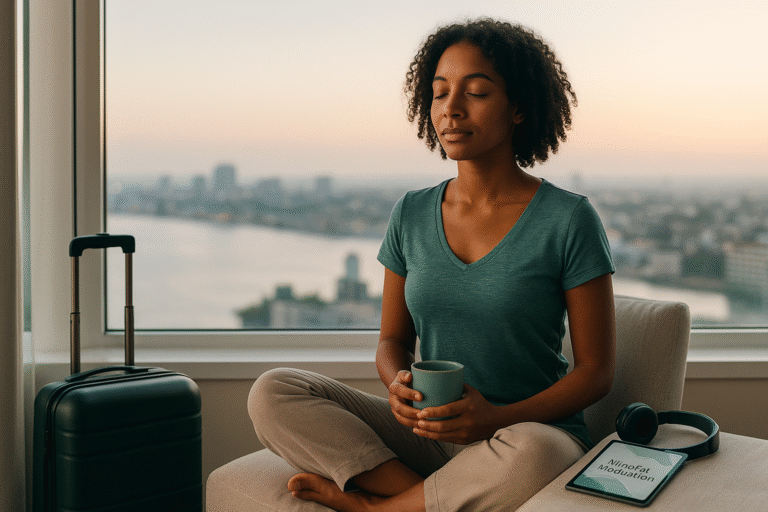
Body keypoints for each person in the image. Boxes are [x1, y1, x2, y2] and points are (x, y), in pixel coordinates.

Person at [249, 17, 616, 512]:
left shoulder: (568, 219)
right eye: (440, 93)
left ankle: (379, 507)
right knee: (274, 391)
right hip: (429, 434)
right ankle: (429, 497)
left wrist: (495, 419)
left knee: (537, 452)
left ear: (519, 107)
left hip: (522, 434)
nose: (451, 109)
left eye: (477, 92)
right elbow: (392, 342)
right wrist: (397, 386)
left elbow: (596, 372)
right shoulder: (411, 212)